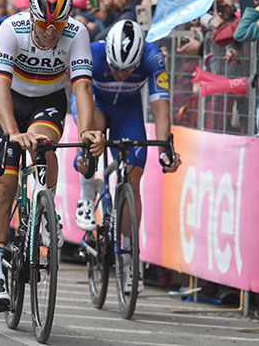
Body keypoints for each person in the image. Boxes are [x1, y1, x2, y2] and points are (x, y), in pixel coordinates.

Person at [0, 0, 104, 311]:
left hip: (47, 101)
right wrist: (11, 131)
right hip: (9, 101)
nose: (51, 32)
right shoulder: (12, 28)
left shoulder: (76, 33)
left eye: (58, 25)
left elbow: (82, 86)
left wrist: (86, 131)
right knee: (1, 187)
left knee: (44, 143)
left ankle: (45, 210)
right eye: (44, 24)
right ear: (32, 16)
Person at [72, 19, 182, 291]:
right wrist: (86, 135)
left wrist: (165, 148)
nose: (121, 74)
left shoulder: (152, 56)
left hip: (128, 111)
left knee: (133, 180)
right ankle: (87, 195)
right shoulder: (92, 52)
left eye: (129, 70)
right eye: (116, 68)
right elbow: (82, 91)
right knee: (92, 136)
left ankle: (129, 258)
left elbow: (160, 105)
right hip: (94, 103)